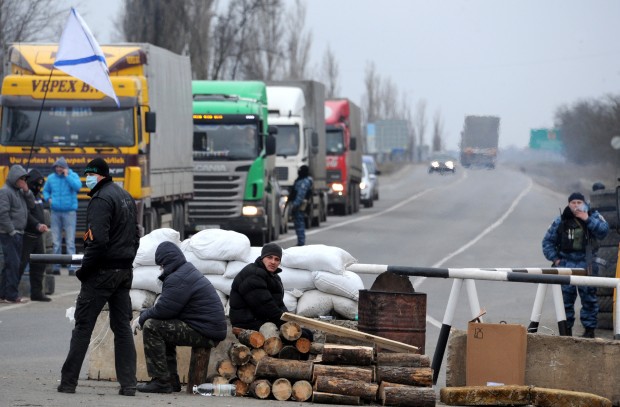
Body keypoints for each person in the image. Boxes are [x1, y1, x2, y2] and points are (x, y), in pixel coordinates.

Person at [58, 158, 140, 396]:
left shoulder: (101, 199)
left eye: (89, 175)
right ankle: (129, 384)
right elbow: (136, 235)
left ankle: (68, 383)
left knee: (83, 326)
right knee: (122, 327)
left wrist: (84, 271)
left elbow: (98, 242)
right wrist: (126, 261)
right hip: (124, 272)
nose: (87, 179)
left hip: (102, 272)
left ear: (99, 175)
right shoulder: (126, 196)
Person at [134, 241, 227, 394]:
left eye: (161, 264)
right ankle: (170, 380)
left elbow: (165, 309)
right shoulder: (184, 272)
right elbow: (169, 309)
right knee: (163, 326)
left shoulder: (178, 278)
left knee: (152, 326)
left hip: (205, 332)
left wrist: (142, 317)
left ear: (167, 261)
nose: (160, 268)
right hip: (205, 328)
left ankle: (161, 381)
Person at [542, 192, 609, 338]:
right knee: (565, 301)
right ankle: (566, 332)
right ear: (568, 204)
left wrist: (587, 219)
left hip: (587, 264)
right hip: (566, 264)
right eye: (573, 202)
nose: (576, 205)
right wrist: (556, 260)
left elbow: (604, 231)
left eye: (579, 202)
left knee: (589, 299)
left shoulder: (593, 216)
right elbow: (547, 242)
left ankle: (589, 331)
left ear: (584, 204)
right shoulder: (561, 220)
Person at [229, 243, 287, 331]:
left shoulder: (274, 277)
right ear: (262, 258)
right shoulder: (253, 274)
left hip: (262, 320)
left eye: (277, 259)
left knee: (304, 333)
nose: (273, 262)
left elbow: (279, 305)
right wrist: (286, 324)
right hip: (248, 324)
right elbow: (264, 307)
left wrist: (290, 319)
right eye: (269, 257)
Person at [0, 165, 35, 304]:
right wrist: (11, 231)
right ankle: (11, 295)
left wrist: (27, 191)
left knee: (11, 265)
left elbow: (32, 205)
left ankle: (3, 294)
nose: (23, 182)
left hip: (19, 233)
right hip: (10, 234)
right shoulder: (5, 192)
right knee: (13, 265)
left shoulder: (20, 192)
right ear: (15, 178)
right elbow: (2, 214)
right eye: (22, 179)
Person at [43, 157, 82, 276]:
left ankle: (73, 268)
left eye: (61, 167)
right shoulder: (50, 178)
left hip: (69, 212)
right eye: (57, 167)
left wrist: (67, 176)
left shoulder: (72, 176)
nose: (58, 169)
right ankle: (56, 267)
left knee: (70, 241)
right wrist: (48, 199)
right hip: (55, 212)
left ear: (65, 167)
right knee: (56, 241)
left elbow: (78, 187)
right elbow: (45, 191)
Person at [19, 169, 51, 301]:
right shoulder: (25, 195)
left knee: (39, 265)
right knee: (20, 265)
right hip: (26, 235)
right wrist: (37, 224)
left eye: (40, 185)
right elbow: (26, 214)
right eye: (36, 185)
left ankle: (36, 293)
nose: (38, 187)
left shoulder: (37, 196)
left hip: (38, 236)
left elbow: (40, 210)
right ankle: (10, 291)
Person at [290, 165, 313, 246]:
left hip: (300, 205)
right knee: (298, 223)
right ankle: (300, 241)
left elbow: (301, 194)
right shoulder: (301, 180)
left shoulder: (304, 181)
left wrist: (295, 205)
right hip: (298, 204)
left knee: (299, 223)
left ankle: (301, 242)